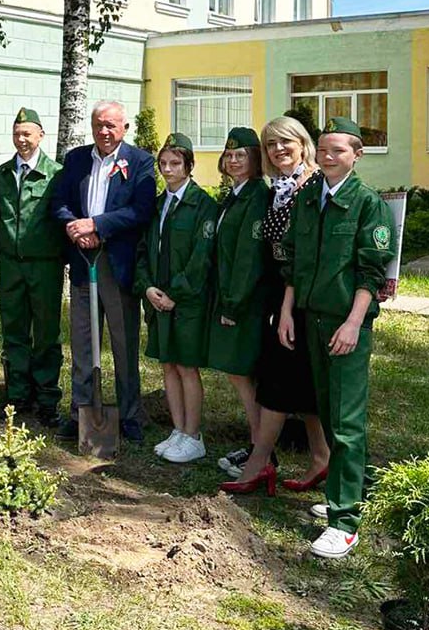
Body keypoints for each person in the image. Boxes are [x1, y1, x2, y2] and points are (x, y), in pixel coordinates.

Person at [279, 116, 395, 559]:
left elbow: (371, 269)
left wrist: (353, 323)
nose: (328, 157)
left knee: (346, 421)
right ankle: (352, 492)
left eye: (338, 150)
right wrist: (288, 312)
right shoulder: (310, 197)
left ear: (357, 155)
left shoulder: (368, 204)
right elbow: (293, 259)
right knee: (326, 411)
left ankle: (345, 521)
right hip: (311, 320)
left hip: (347, 322)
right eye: (323, 149)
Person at [224, 115, 330, 489]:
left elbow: (307, 254)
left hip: (303, 298)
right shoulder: (278, 188)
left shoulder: (315, 186)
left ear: (303, 144)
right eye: (271, 144)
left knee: (279, 382)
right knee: (301, 383)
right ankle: (320, 458)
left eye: (286, 141)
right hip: (279, 296)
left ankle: (260, 462)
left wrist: (287, 306)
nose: (279, 149)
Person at [51, 101, 155, 443]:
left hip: (116, 263)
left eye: (111, 125)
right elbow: (60, 202)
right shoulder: (77, 159)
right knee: (82, 342)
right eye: (98, 125)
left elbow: (141, 210)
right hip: (83, 262)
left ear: (124, 128)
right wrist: (73, 226)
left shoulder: (139, 162)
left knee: (124, 343)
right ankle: (80, 412)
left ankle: (129, 416)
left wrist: (96, 224)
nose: (104, 132)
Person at [135, 132, 217, 463]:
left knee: (186, 366)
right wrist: (148, 288)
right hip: (159, 300)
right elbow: (143, 251)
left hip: (187, 303)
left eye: (175, 164)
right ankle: (179, 429)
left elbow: (202, 258)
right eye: (163, 164)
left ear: (189, 166)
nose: (168, 170)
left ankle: (194, 435)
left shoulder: (203, 205)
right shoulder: (157, 205)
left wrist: (175, 293)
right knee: (167, 364)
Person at [0, 107, 64, 427]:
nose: (22, 139)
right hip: (11, 265)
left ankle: (47, 396)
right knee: (14, 331)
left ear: (40, 136)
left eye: (28, 133)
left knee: (46, 333)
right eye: (17, 133)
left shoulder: (56, 174)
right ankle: (18, 395)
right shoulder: (2, 173)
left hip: (45, 266)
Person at [206, 128, 269, 484]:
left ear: (255, 160)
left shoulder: (256, 196)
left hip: (244, 302)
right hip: (231, 298)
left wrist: (233, 304)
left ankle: (262, 448)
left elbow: (248, 258)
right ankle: (257, 443)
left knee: (244, 374)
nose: (233, 160)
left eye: (241, 155)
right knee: (240, 374)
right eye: (229, 155)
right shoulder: (235, 195)